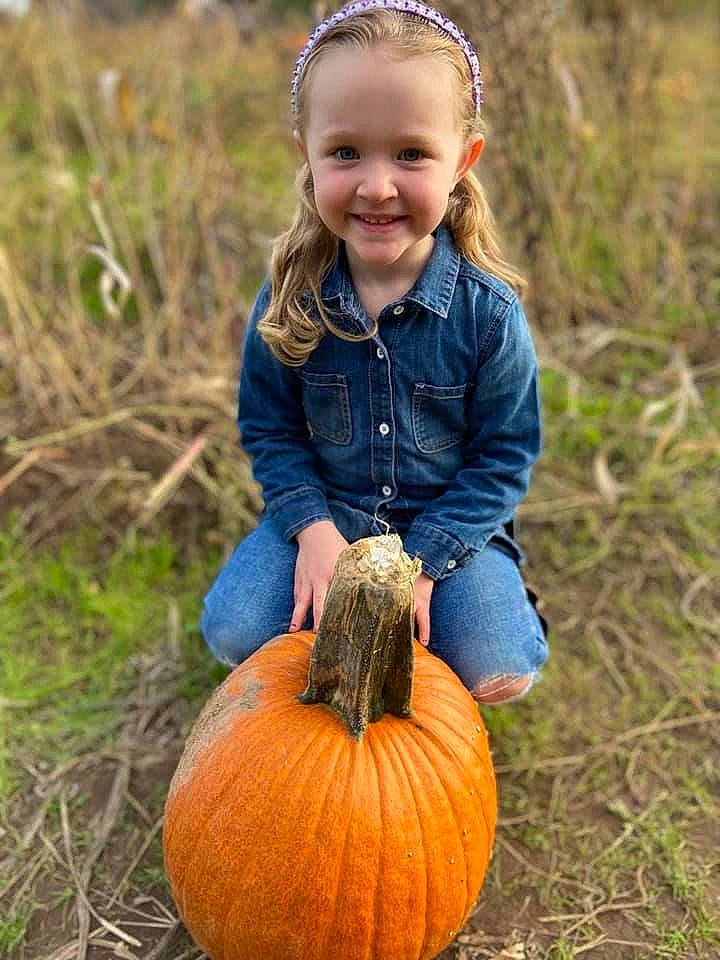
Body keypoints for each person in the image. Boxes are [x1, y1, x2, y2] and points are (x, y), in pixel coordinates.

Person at [201, 0, 548, 704]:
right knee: (234, 633)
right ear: (307, 151)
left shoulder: (488, 315)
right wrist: (313, 532)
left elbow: (505, 457)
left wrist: (422, 563)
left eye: (412, 153)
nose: (377, 185)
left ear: (463, 159)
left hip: (444, 533)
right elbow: (270, 431)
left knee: (500, 668)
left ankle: (485, 606)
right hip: (330, 514)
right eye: (346, 152)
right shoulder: (289, 298)